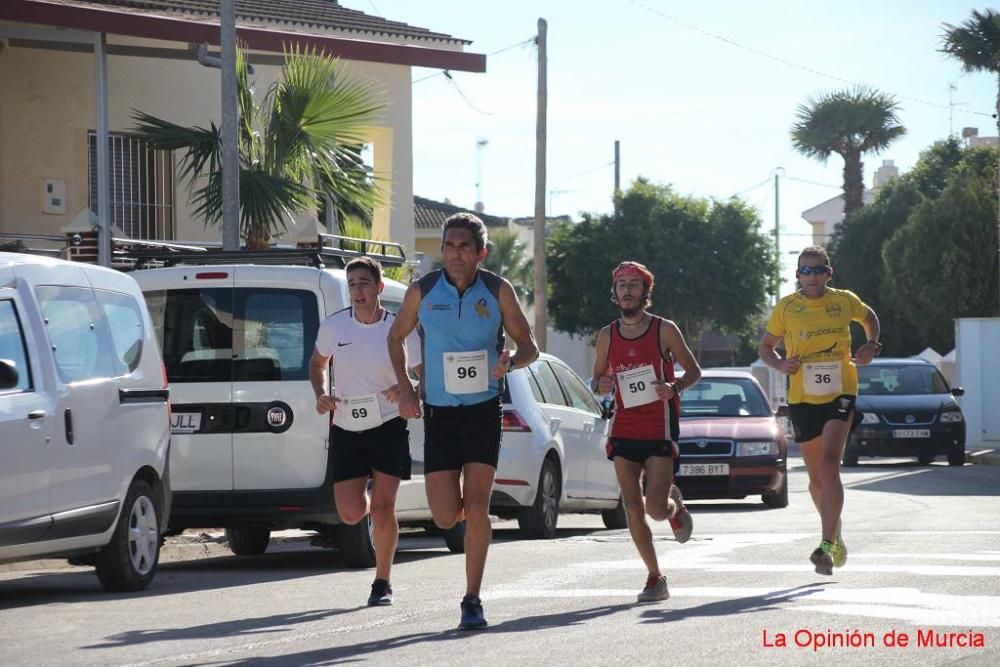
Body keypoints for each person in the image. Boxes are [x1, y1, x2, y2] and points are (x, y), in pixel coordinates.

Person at [387, 212, 539, 630]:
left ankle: (472, 597)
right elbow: (395, 337)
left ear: (480, 252)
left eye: (464, 247)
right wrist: (404, 385)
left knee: (477, 505)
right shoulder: (423, 291)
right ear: (442, 250)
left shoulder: (497, 290)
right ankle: (466, 529)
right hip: (438, 414)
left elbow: (530, 347)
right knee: (442, 514)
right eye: (449, 246)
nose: (456, 253)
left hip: (482, 412)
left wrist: (509, 361)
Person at [758, 245, 881, 576]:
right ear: (797, 275)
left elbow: (870, 319)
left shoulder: (844, 301)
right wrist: (781, 364)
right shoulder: (787, 308)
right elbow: (765, 348)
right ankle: (835, 533)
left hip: (840, 391)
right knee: (815, 481)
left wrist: (871, 345)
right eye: (805, 271)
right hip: (802, 397)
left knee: (830, 466)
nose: (812, 276)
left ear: (829, 273)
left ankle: (826, 545)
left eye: (818, 270)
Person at [309, 256, 420, 607]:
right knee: (350, 512)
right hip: (346, 427)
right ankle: (371, 510)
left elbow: (423, 372)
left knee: (384, 508)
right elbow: (317, 363)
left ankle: (382, 581)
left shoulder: (400, 328)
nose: (357, 290)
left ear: (379, 288)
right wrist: (321, 393)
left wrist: (406, 389)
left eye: (364, 283)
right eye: (352, 283)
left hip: (388, 424)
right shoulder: (334, 327)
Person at [591, 261, 702, 603]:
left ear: (645, 292)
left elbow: (694, 370)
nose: (627, 291)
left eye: (634, 285)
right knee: (632, 507)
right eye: (622, 285)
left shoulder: (664, 330)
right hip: (624, 428)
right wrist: (602, 382)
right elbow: (596, 380)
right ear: (615, 293)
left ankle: (674, 508)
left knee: (655, 509)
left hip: (659, 427)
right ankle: (655, 576)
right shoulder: (607, 335)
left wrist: (674, 386)